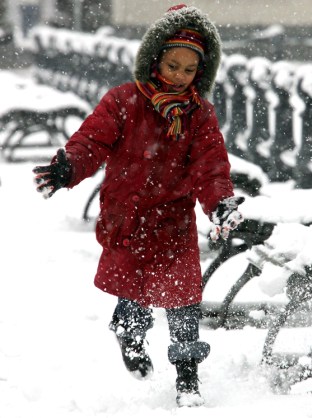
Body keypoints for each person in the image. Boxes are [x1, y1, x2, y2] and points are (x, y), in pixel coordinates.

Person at [32, 4, 244, 408]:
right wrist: (69, 166)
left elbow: (211, 166)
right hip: (127, 217)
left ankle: (187, 377)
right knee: (133, 290)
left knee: (184, 300)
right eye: (172, 64)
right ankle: (130, 333)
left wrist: (220, 203)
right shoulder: (124, 101)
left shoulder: (199, 115)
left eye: (188, 69)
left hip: (174, 219)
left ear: (200, 72)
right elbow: (92, 142)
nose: (179, 76)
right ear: (155, 60)